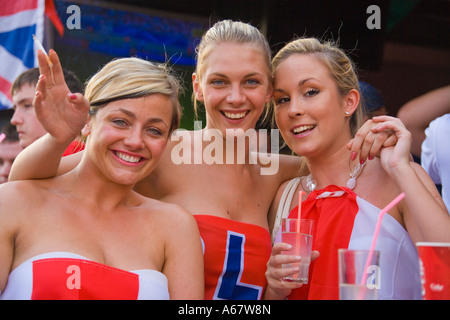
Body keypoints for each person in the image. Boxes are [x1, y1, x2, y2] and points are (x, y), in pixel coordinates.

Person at [9, 21, 394, 300]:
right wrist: (59, 138)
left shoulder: (281, 171)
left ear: (267, 92)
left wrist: (373, 135)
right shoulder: (156, 146)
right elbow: (29, 181)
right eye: (219, 81)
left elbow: (340, 160)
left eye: (252, 82)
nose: (236, 97)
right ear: (197, 86)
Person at [0, 52, 204, 300]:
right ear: (87, 121)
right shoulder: (14, 201)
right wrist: (57, 139)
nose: (135, 141)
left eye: (154, 130)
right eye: (120, 121)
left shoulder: (176, 227)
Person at [264, 38, 450, 300]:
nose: (293, 109)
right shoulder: (285, 196)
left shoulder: (398, 179)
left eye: (311, 92)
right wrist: (273, 289)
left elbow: (445, 267)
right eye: (282, 99)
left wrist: (400, 166)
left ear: (349, 102)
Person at [10, 67, 85, 154]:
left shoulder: (72, 159)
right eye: (15, 108)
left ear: (66, 107)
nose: (14, 120)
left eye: (27, 105)